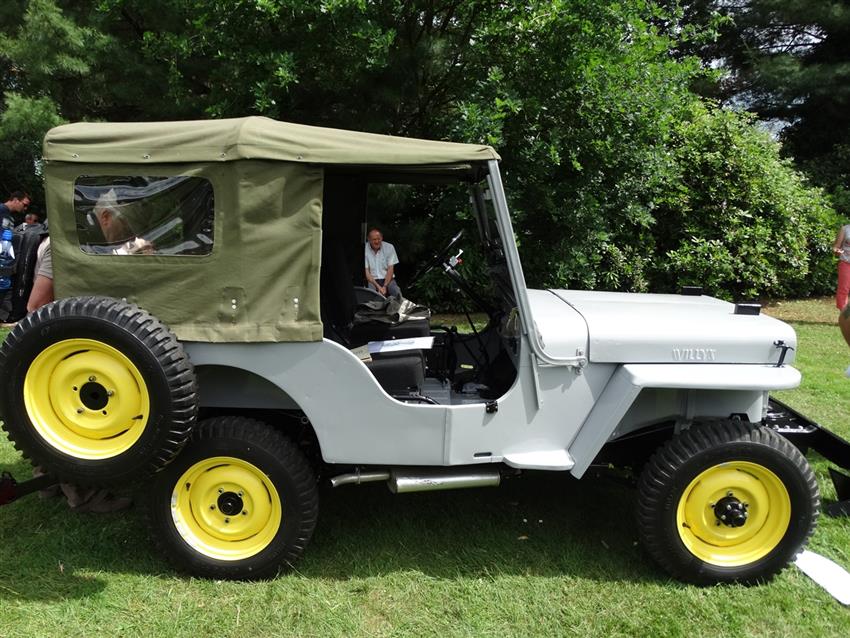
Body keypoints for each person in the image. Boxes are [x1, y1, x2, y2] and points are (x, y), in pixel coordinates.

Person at [28, 235, 132, 513]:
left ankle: (47, 482)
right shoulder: (61, 245)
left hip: (67, 342)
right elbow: (36, 303)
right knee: (75, 424)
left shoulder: (75, 241)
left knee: (53, 422)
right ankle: (84, 496)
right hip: (65, 344)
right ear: (105, 217)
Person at [364, 227, 401, 298]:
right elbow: (367, 272)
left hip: (387, 278)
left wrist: (384, 286)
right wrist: (378, 287)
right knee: (370, 296)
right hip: (372, 280)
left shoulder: (389, 247)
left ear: (382, 238)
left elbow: (390, 269)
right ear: (369, 239)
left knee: (396, 292)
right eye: (374, 239)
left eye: (379, 239)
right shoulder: (364, 249)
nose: (377, 241)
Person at [834, 222, 850, 310]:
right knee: (843, 289)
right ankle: (843, 312)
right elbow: (836, 246)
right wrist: (836, 251)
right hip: (846, 263)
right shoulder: (845, 229)